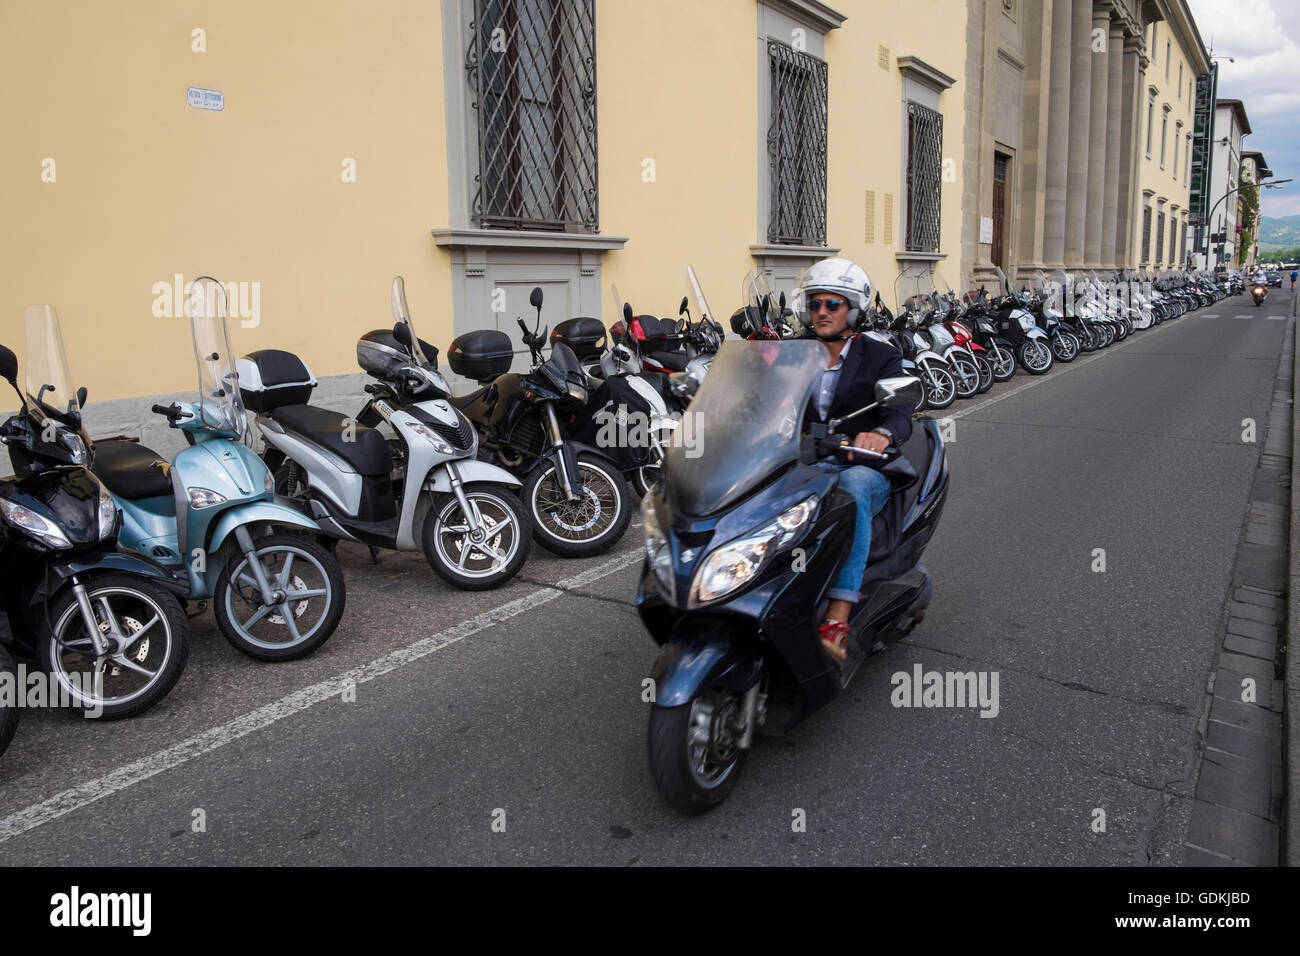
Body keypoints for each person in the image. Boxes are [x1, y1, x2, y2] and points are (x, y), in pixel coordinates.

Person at [791, 258, 913, 666]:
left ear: (853, 309)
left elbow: (898, 411)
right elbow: (759, 398)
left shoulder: (879, 356)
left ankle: (837, 620)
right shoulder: (792, 354)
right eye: (815, 304)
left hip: (860, 466)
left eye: (832, 304)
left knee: (854, 490)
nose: (821, 312)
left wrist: (882, 434)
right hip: (806, 463)